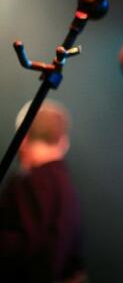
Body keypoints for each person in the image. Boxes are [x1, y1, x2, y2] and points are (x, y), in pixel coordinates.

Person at [0, 100, 86, 282]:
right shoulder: (68, 191)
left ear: (22, 139)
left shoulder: (29, 182)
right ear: (63, 142)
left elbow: (18, 247)